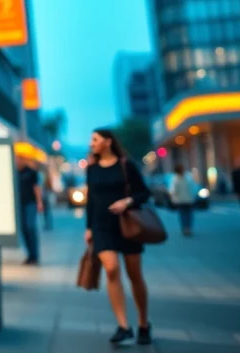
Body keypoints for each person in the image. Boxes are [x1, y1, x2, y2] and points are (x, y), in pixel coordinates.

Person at [85, 128, 153, 345]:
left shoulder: (126, 165)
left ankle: (143, 322)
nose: (91, 143)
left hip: (127, 225)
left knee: (135, 275)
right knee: (112, 269)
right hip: (101, 226)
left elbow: (143, 192)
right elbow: (91, 200)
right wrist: (88, 228)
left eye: (95, 139)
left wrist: (127, 202)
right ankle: (123, 326)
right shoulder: (92, 168)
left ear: (107, 142)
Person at [16, 155, 43, 264]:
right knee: (24, 229)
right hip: (19, 204)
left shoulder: (31, 172)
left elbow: (36, 188)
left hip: (30, 203)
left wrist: (39, 202)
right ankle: (30, 255)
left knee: (30, 227)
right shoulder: (15, 173)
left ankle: (34, 255)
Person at [169, 163, 196, 236]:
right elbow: (193, 187)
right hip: (188, 199)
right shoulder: (188, 177)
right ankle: (188, 228)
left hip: (180, 200)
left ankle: (185, 228)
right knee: (188, 214)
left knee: (183, 214)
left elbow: (174, 190)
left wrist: (171, 195)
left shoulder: (175, 179)